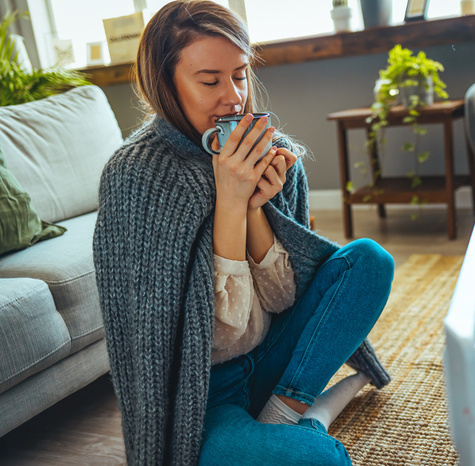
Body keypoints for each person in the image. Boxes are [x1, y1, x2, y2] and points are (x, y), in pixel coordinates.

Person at [92, 1, 394, 465]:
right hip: (205, 394)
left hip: (272, 358)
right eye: (210, 80)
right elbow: (214, 337)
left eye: (240, 74)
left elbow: (283, 300)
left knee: (370, 260)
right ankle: (308, 419)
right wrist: (229, 200)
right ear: (166, 85)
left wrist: (255, 206)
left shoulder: (273, 153)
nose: (233, 97)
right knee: (318, 459)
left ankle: (284, 410)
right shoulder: (136, 176)